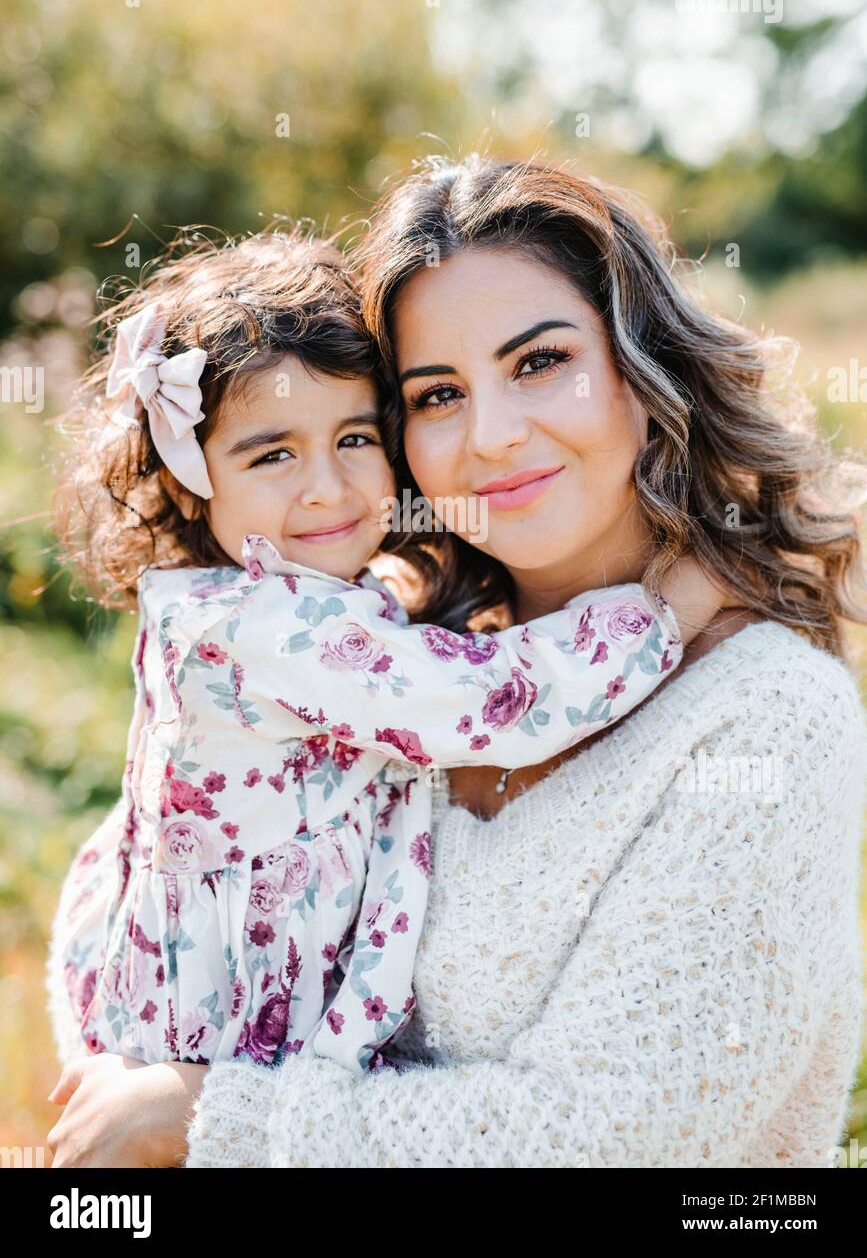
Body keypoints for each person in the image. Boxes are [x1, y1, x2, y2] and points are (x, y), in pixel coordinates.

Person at [46, 158, 867, 1168]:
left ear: (646, 375)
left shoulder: (763, 710)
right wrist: (120, 1068)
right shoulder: (399, 647)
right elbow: (130, 869)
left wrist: (207, 1117)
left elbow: (628, 1137)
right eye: (436, 394)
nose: (492, 435)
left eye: (538, 363)